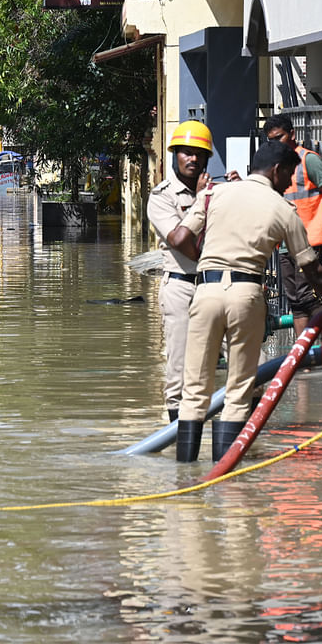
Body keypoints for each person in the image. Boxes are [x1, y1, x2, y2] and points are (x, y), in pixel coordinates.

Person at [166, 140, 322, 462]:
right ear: (276, 170)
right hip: (246, 294)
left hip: (204, 291)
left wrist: (209, 260)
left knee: (193, 392)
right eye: (289, 175)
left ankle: (185, 478)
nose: (289, 184)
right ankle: (225, 476)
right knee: (237, 392)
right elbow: (313, 272)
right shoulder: (282, 209)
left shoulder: (214, 193)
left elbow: (178, 238)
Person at [147, 120, 215, 423]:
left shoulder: (217, 193)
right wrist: (202, 201)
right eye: (186, 153)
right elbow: (181, 243)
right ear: (175, 155)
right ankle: (179, 449)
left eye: (199, 154)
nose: (193, 159)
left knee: (252, 366)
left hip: (216, 288)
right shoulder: (162, 196)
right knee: (179, 375)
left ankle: (243, 444)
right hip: (181, 288)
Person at [263, 113, 322, 345]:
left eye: (280, 137)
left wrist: (321, 223)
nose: (277, 143)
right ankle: (303, 358)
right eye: (272, 140)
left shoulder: (308, 160)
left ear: (292, 134)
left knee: (309, 297)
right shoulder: (275, 167)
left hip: (311, 240)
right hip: (285, 243)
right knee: (295, 301)